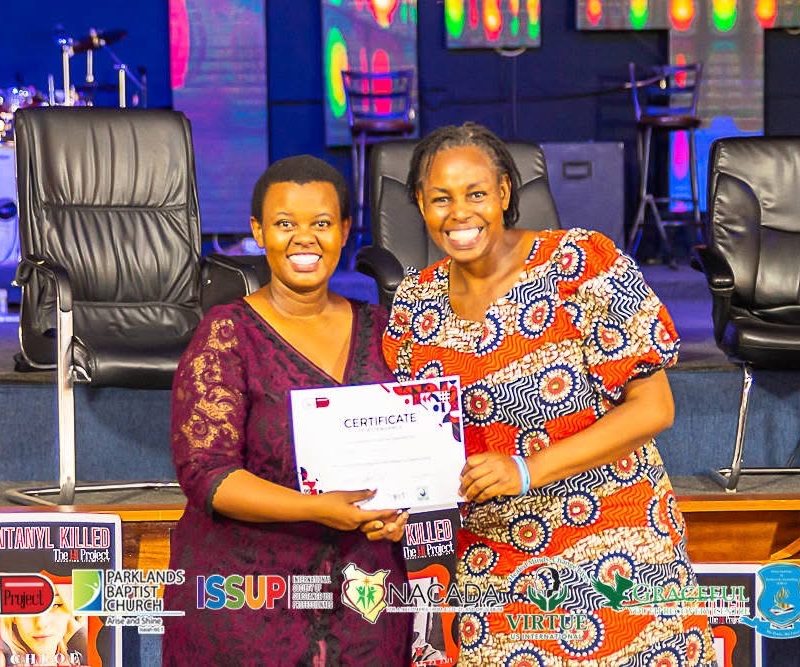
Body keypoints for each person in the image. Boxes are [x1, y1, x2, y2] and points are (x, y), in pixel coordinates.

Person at [383, 123, 717, 666]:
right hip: (491, 553)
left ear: (504, 193)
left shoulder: (581, 263)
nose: (459, 213)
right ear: (420, 203)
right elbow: (415, 440)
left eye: (476, 193)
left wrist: (526, 470)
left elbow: (654, 408)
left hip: (614, 535)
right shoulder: (414, 305)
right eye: (441, 198)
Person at [162, 155, 411, 666]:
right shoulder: (227, 334)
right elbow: (208, 477)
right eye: (284, 224)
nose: (304, 239)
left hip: (364, 601)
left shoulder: (385, 330)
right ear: (258, 231)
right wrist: (317, 508)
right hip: (249, 596)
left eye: (321, 223)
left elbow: (414, 456)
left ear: (345, 230)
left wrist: (401, 515)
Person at [0, 583, 86, 666]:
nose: (41, 623)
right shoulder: (1, 658)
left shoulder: (76, 657)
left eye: (55, 605)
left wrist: (79, 636)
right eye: (26, 605)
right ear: (13, 616)